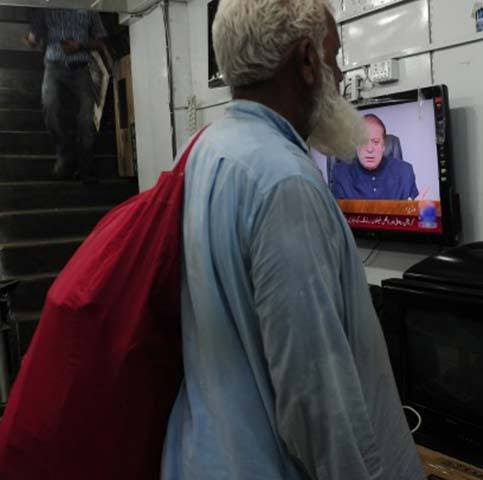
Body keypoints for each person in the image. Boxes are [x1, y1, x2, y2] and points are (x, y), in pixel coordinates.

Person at [160, 1, 425, 480]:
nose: (340, 76)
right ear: (306, 60)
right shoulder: (284, 182)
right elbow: (317, 401)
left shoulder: (202, 150)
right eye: (334, 58)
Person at [23, 9, 107, 183]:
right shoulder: (47, 6)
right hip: (53, 66)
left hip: (80, 68)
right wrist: (31, 40)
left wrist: (79, 45)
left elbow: (101, 41)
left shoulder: (89, 7)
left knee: (86, 117)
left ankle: (86, 166)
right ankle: (64, 155)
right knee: (50, 107)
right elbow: (33, 38)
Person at [332, 113, 419, 200]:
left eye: (376, 142)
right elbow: (335, 208)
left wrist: (422, 206)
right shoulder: (341, 174)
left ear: (383, 146)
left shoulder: (405, 172)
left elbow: (415, 206)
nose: (370, 149)